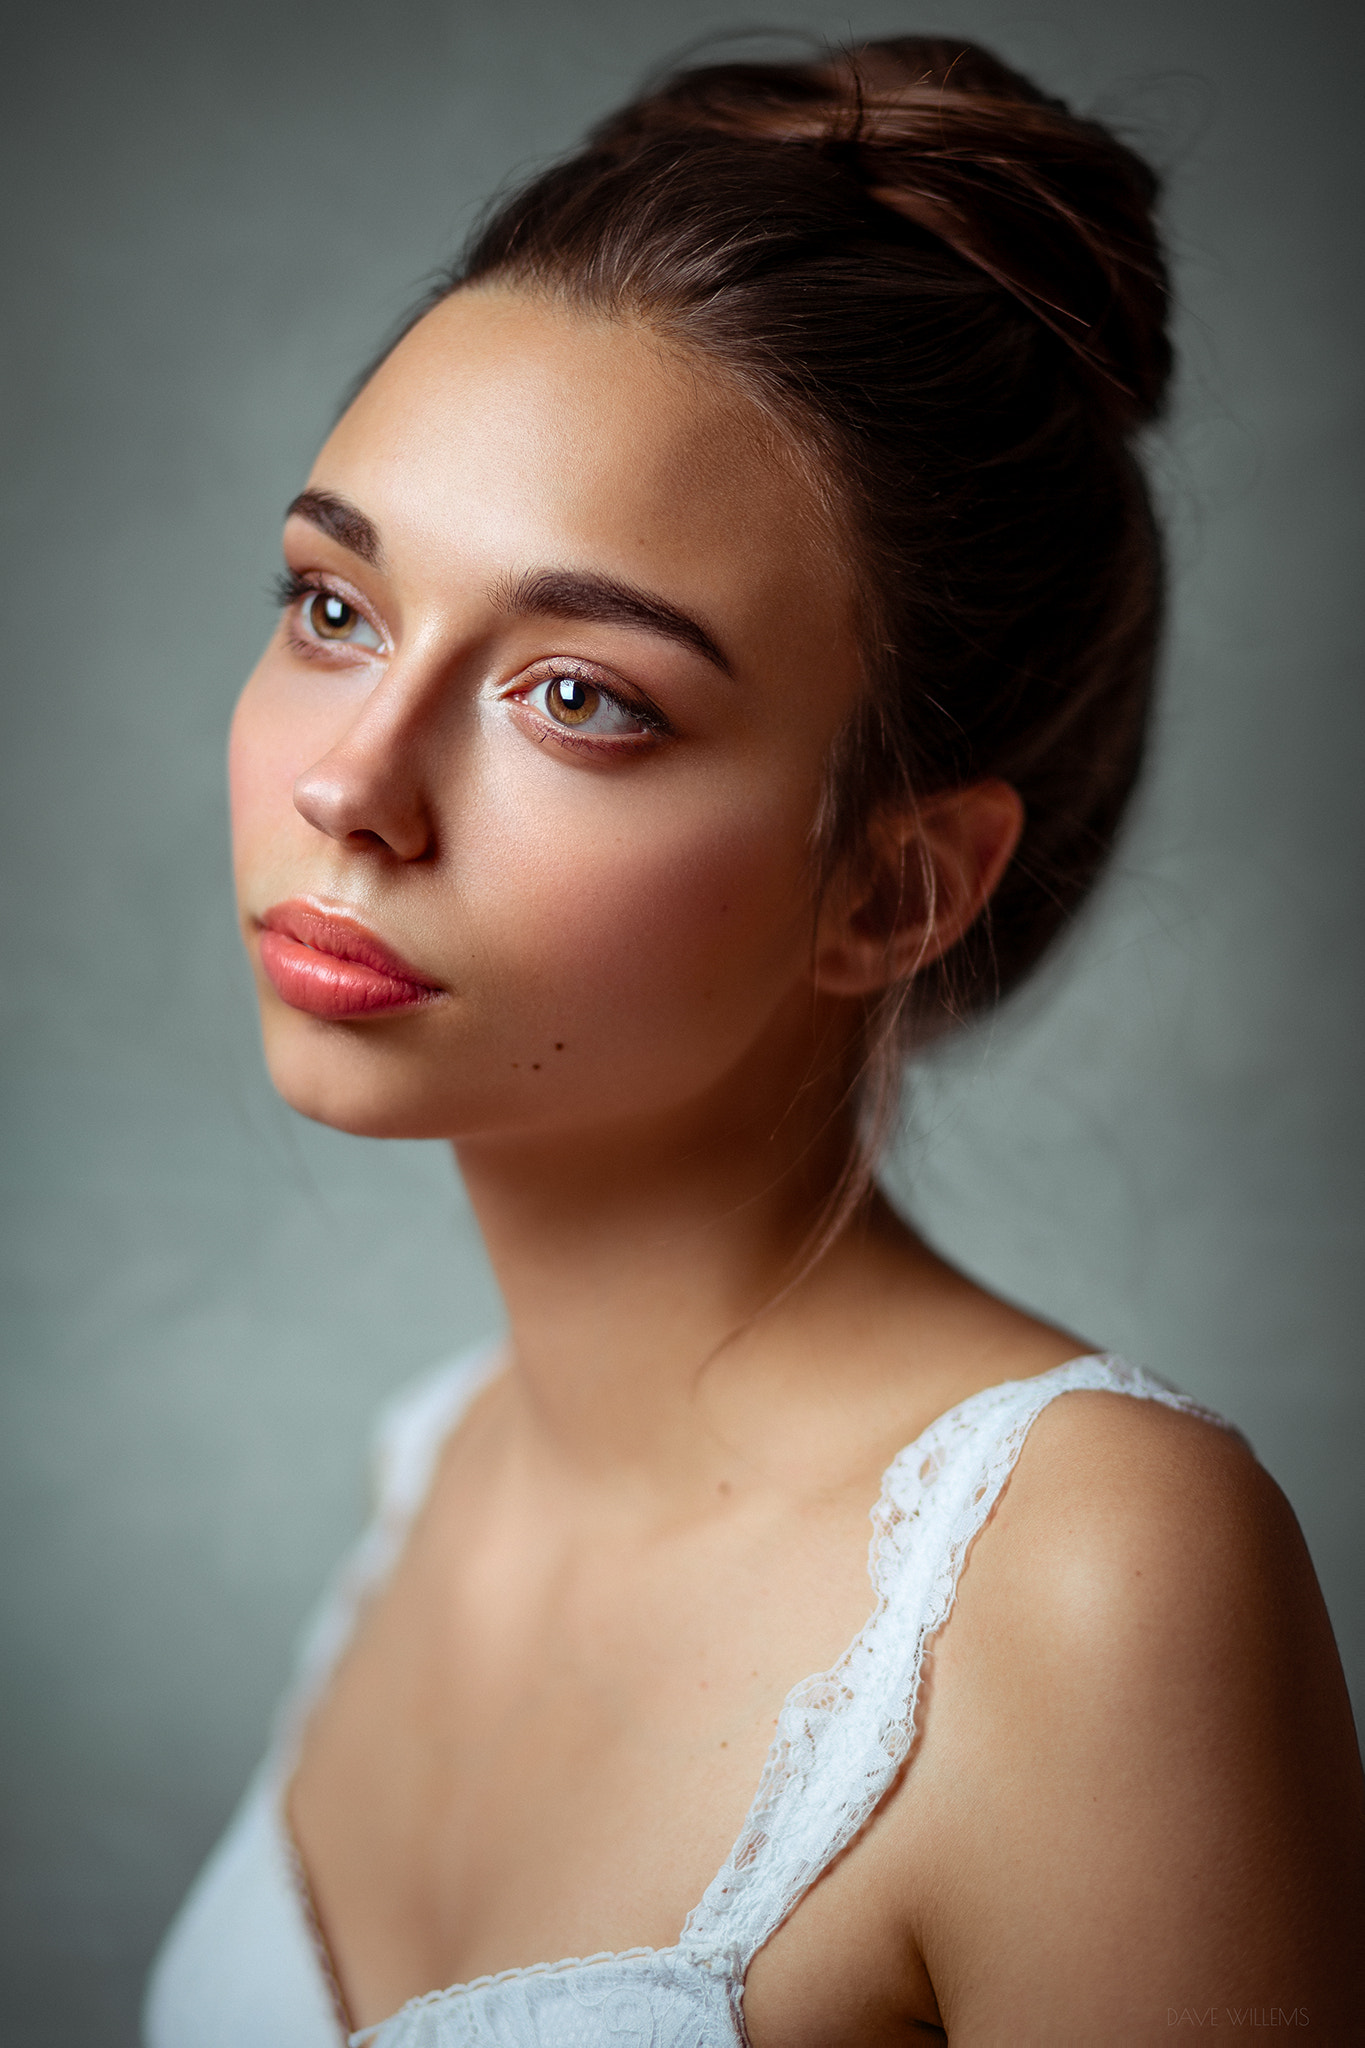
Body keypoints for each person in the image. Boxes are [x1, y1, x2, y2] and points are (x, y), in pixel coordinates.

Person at [144, 33, 1365, 2046]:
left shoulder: (1096, 1583)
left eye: (580, 696)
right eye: (334, 605)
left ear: (894, 886)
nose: (353, 784)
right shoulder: (430, 1467)